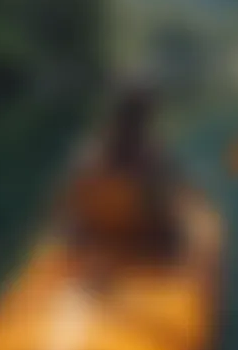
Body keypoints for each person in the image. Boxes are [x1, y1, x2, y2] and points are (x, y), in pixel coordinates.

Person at [57, 80, 182, 285]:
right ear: (148, 118)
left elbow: (67, 210)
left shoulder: (88, 154)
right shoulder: (152, 160)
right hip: (138, 247)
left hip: (93, 244)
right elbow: (163, 214)